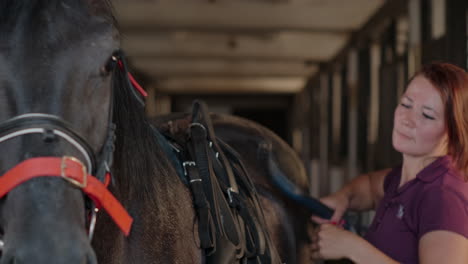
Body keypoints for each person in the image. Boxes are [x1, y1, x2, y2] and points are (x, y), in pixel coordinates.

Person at [310, 62, 468, 264]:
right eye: (406, 104)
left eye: (427, 115)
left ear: (453, 132)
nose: (407, 119)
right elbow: (368, 186)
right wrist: (343, 198)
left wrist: (353, 248)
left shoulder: (443, 197)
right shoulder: (403, 178)